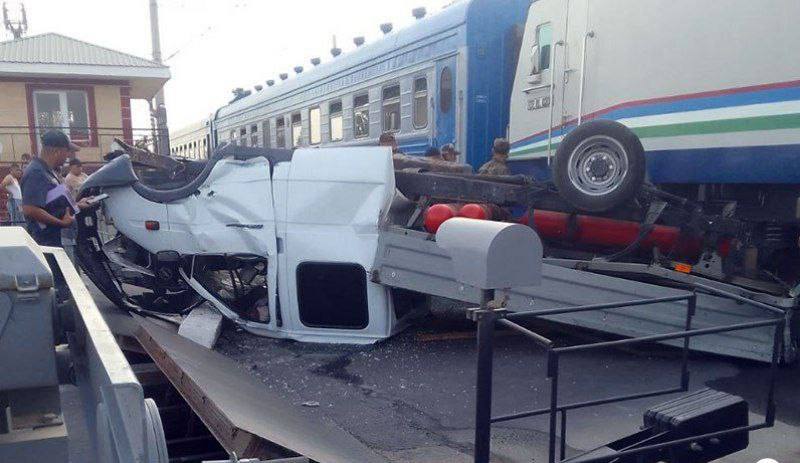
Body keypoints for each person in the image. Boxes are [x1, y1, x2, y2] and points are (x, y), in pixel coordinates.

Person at [21, 130, 91, 247]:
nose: (69, 156)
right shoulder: (36, 172)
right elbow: (30, 209)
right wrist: (61, 223)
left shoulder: (47, 171)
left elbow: (53, 203)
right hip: (48, 242)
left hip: (59, 239)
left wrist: (77, 204)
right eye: (67, 151)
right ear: (56, 151)